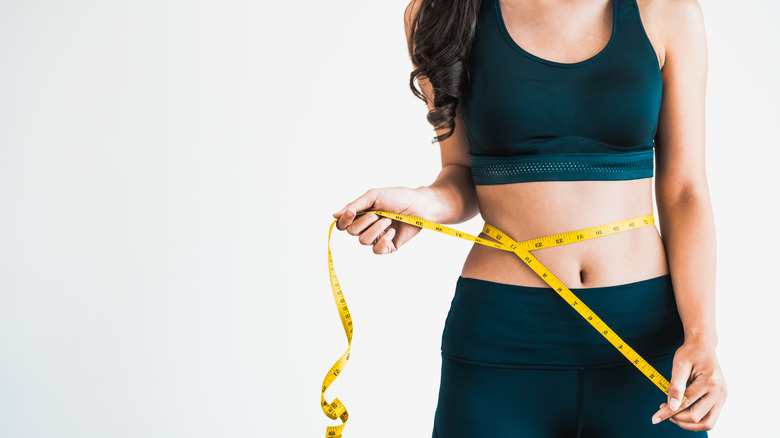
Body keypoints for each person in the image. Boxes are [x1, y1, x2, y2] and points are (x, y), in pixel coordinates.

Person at [331, 0, 727, 435]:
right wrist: (425, 202)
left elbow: (684, 191)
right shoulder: (440, 12)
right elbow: (462, 173)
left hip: (646, 336)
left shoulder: (666, 11)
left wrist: (702, 337)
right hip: (502, 338)